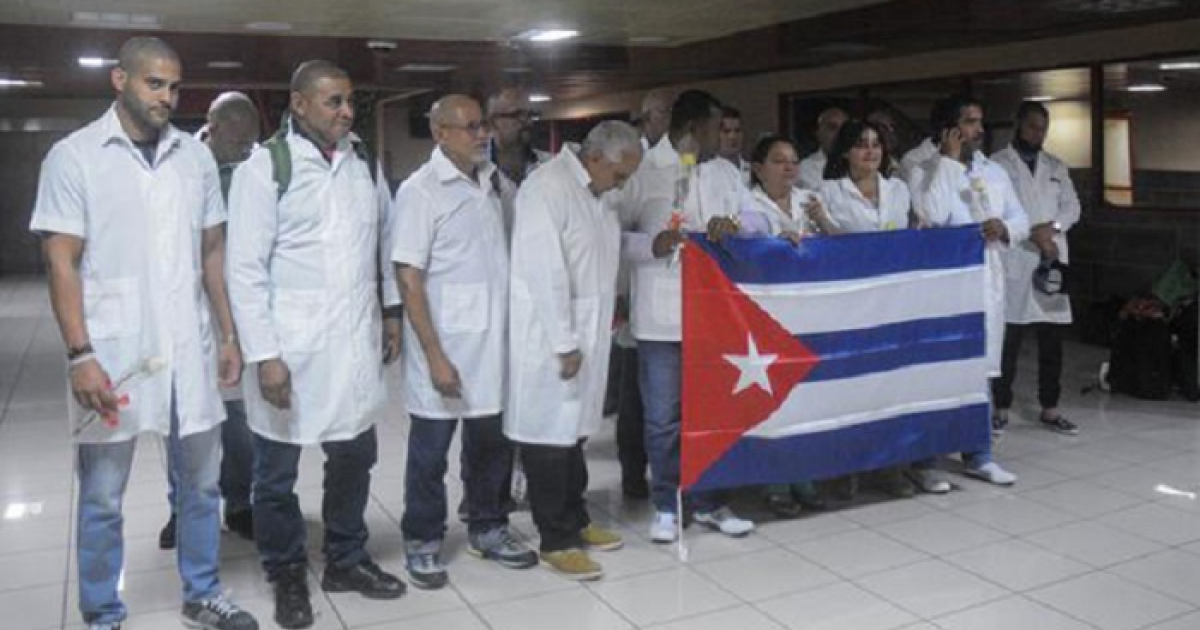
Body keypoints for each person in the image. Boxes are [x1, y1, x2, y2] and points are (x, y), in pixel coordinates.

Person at [31, 36, 257, 630]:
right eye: (154, 83)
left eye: (174, 86)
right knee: (104, 496)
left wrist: (229, 335)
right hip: (114, 350)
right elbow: (62, 261)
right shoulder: (75, 155)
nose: (166, 96)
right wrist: (81, 354)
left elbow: (213, 251)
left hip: (189, 345)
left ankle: (202, 592)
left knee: (201, 484)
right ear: (120, 80)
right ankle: (103, 611)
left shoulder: (195, 157)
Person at [226, 60, 406, 630]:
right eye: (333, 101)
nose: (346, 111)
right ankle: (285, 573)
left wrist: (391, 311)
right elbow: (244, 271)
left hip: (352, 342)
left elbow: (382, 238)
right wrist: (266, 355)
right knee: (276, 474)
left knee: (355, 455)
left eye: (349, 100)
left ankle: (346, 559)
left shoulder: (363, 162)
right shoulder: (267, 168)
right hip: (292, 350)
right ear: (299, 104)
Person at [392, 94, 538, 591]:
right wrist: (434, 355)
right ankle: (423, 539)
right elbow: (408, 276)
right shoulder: (422, 191)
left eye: (484, 127)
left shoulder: (495, 184)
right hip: (446, 346)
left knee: (491, 446)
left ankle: (489, 526)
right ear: (439, 133)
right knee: (430, 452)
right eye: (471, 127)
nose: (482, 135)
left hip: (493, 346)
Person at [616, 89, 760, 543]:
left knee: (711, 411)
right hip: (660, 317)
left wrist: (734, 226)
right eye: (719, 127)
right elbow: (612, 234)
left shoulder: (724, 173)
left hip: (714, 314)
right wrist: (651, 245)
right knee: (662, 418)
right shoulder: (644, 170)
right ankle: (666, 503)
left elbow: (760, 219)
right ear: (695, 128)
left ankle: (709, 501)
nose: (726, 135)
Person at [506, 121, 643, 579]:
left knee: (576, 434)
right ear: (597, 157)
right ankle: (556, 538)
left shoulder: (600, 193)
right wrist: (563, 341)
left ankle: (577, 518)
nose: (622, 186)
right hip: (551, 335)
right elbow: (544, 272)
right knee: (550, 435)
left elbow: (603, 258)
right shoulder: (546, 189)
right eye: (620, 175)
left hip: (591, 330)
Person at [907, 94, 1028, 488]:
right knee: (937, 373)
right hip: (944, 288)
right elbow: (933, 215)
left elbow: (1020, 216)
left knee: (980, 373)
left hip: (985, 280)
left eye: (980, 121)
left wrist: (1005, 228)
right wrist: (947, 161)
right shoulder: (920, 167)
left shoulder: (993, 171)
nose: (979, 129)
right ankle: (924, 461)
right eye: (970, 122)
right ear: (949, 129)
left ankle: (979, 455)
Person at [159, 91, 261, 550]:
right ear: (212, 125)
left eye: (250, 142)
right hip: (186, 306)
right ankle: (181, 508)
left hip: (239, 307)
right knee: (180, 417)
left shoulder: (257, 166)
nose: (243, 150)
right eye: (237, 140)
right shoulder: (179, 161)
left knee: (240, 419)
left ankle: (240, 503)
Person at [744, 133, 833, 515]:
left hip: (809, 312)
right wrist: (774, 244)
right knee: (774, 400)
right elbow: (743, 250)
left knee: (806, 399)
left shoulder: (810, 200)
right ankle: (776, 483)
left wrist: (823, 221)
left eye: (794, 160)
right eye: (779, 161)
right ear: (759, 168)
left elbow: (842, 246)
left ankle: (805, 478)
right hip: (766, 315)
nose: (789, 168)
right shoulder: (746, 204)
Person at [990, 101, 1082, 435]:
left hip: (1050, 258)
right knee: (1009, 341)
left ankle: (1050, 407)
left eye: (1042, 128)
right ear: (1017, 125)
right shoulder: (997, 165)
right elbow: (998, 211)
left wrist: (1053, 229)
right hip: (1017, 257)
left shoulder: (1057, 166)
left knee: (1052, 341)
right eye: (1031, 126)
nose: (1037, 134)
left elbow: (1072, 207)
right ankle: (1000, 407)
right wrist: (1033, 232)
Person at [798, 106, 848, 190]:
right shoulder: (804, 169)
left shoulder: (860, 166)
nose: (838, 134)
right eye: (832, 128)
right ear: (818, 132)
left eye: (843, 129)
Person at [717, 106, 751, 185]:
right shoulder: (705, 170)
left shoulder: (751, 170)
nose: (732, 136)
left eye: (737, 131)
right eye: (726, 131)